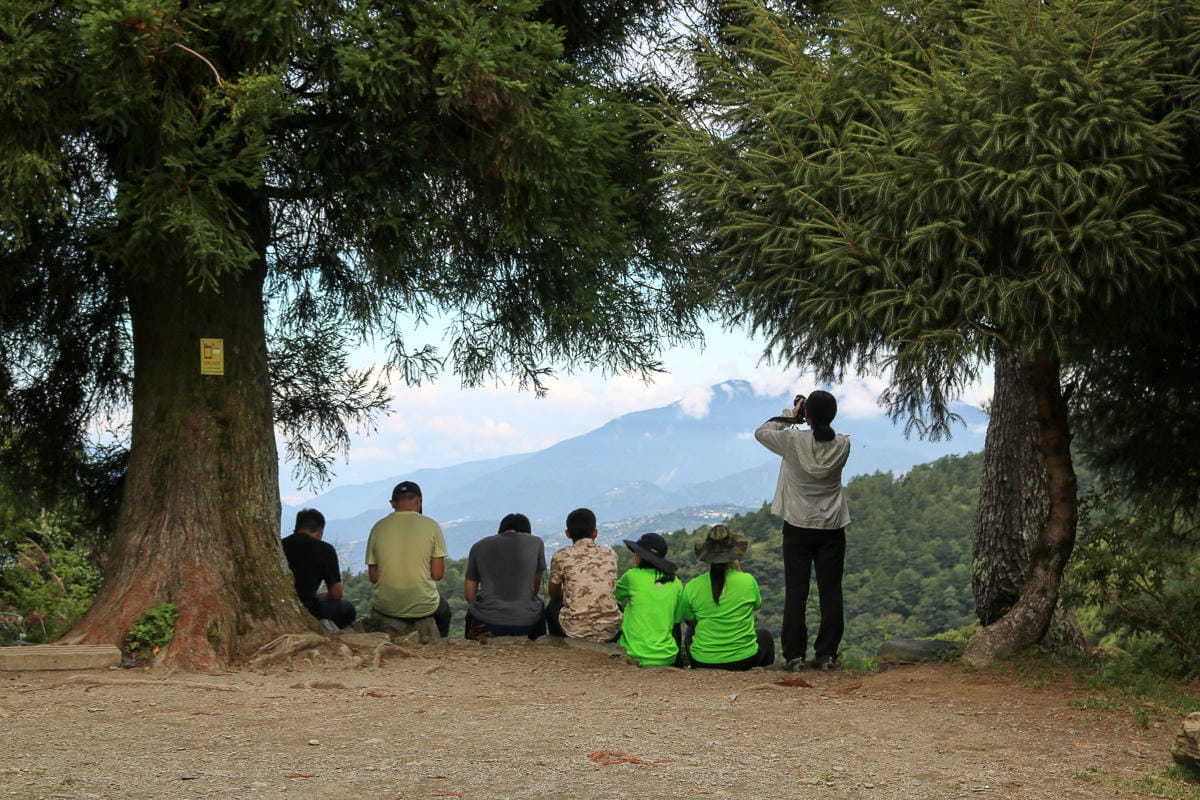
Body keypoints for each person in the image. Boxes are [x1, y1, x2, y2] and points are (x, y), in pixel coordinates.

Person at [755, 390, 851, 671]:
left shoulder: (792, 440)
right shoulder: (843, 444)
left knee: (796, 593)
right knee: (831, 592)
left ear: (806, 414)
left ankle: (794, 656)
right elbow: (822, 434)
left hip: (797, 526)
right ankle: (827, 655)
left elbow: (761, 432)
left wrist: (790, 417)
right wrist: (806, 417)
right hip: (832, 526)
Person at [681, 524, 775, 671]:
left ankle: (695, 668)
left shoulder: (692, 586)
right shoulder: (748, 581)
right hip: (744, 660)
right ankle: (761, 672)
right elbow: (757, 605)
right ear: (734, 554)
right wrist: (739, 571)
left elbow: (689, 619)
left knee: (690, 632)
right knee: (765, 636)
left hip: (702, 661)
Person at [365, 480, 451, 638]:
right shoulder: (432, 525)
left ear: (392, 503)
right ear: (418, 500)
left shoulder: (378, 527)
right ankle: (439, 644)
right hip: (423, 606)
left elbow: (373, 577)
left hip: (386, 606)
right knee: (444, 610)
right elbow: (437, 574)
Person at [463, 513, 547, 639]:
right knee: (540, 605)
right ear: (527, 533)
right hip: (527, 622)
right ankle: (537, 645)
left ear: (500, 531)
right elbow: (535, 589)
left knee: (473, 611)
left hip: (485, 622)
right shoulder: (536, 543)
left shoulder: (478, 546)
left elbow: (470, 595)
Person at [545, 507, 622, 642]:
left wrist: (572, 594)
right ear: (595, 533)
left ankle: (557, 644)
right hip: (611, 630)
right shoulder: (610, 554)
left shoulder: (561, 556)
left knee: (552, 606)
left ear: (568, 534)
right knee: (618, 605)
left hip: (574, 630)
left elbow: (553, 594)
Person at [615, 532, 684, 667]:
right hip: (667, 656)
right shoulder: (676, 582)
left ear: (641, 556)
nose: (635, 556)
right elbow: (676, 624)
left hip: (633, 654)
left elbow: (611, 598)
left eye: (636, 553)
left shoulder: (632, 576)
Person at [281, 508, 356, 630]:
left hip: (281, 605)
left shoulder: (280, 545)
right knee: (346, 607)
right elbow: (337, 594)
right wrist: (322, 596)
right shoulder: (325, 549)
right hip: (308, 609)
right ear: (320, 532)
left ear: (296, 528)